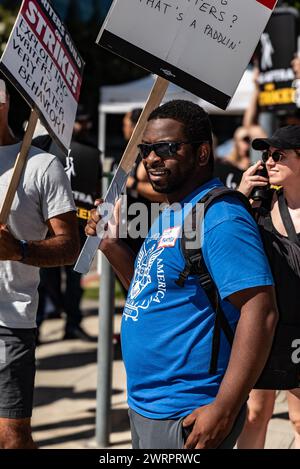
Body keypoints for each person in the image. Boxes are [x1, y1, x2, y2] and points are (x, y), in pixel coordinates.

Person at [86, 100, 279, 449]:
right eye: (146, 149)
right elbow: (150, 293)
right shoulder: (177, 210)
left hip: (188, 412)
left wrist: (224, 407)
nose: (151, 158)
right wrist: (112, 246)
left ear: (203, 153)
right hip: (149, 406)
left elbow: (260, 311)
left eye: (166, 148)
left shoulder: (221, 218)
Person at [0, 76, 79, 448]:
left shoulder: (41, 165)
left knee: (12, 439)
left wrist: (18, 250)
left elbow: (69, 246)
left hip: (9, 322)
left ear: (2, 105)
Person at [237, 125, 300, 449]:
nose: (269, 162)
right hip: (267, 325)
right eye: (266, 156)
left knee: (299, 417)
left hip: (299, 326)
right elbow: (216, 232)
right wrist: (242, 191)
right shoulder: (260, 205)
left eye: (279, 155)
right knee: (255, 411)